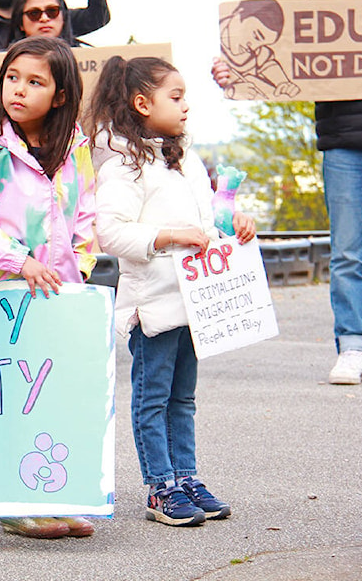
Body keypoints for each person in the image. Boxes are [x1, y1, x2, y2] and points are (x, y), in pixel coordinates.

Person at [213, 0, 362, 386]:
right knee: (346, 254)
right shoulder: (322, 3)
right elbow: (283, 69)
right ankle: (352, 346)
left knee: (348, 254)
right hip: (346, 146)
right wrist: (234, 74)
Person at [90, 56, 256, 526]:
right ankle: (160, 487)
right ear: (142, 103)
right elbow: (112, 234)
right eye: (176, 96)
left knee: (183, 399)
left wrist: (235, 225)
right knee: (153, 398)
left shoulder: (187, 161)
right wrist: (169, 235)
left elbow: (210, 224)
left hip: (195, 305)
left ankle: (185, 477)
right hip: (155, 307)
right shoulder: (123, 166)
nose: (186, 106)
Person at [0, 36, 97, 539]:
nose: (19, 90)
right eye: (13, 77)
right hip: (4, 296)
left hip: (59, 295)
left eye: (35, 82)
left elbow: (87, 211)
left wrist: (79, 265)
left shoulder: (74, 144)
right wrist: (21, 261)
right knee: (13, 395)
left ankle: (53, 496)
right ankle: (14, 504)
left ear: (59, 95)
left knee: (54, 394)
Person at [8, 0, 103, 47]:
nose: (44, 18)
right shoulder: (2, 61)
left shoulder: (85, 58)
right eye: (34, 13)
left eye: (52, 11)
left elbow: (99, 15)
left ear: (63, 17)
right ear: (21, 24)